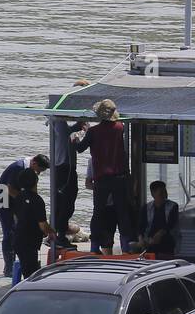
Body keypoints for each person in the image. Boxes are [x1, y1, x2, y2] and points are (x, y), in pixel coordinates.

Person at [78, 98, 135, 254]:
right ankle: (126, 249)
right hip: (120, 177)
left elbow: (80, 148)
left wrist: (76, 139)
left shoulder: (93, 131)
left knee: (98, 213)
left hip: (102, 179)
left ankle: (94, 247)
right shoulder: (120, 127)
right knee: (123, 213)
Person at [0, 154, 50, 278]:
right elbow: (10, 189)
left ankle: (17, 262)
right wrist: (27, 202)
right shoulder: (19, 167)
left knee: (18, 229)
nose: (38, 174)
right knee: (9, 231)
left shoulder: (28, 169)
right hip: (3, 199)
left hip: (15, 200)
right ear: (34, 163)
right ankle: (9, 266)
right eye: (38, 171)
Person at [49, 115, 88, 248]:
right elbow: (69, 136)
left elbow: (68, 132)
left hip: (61, 168)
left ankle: (56, 233)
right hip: (65, 168)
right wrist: (80, 129)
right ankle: (60, 235)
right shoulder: (59, 123)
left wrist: (77, 126)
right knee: (66, 203)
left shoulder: (58, 124)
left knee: (61, 202)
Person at [11, 167, 56, 281]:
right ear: (36, 181)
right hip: (29, 241)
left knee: (26, 267)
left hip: (18, 238)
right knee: (31, 274)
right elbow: (43, 225)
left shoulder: (18, 196)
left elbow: (16, 217)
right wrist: (51, 232)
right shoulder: (38, 200)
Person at [132, 181, 181, 259]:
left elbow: (170, 224)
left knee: (165, 240)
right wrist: (140, 238)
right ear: (153, 194)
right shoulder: (146, 208)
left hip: (167, 239)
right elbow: (141, 226)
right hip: (150, 240)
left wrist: (160, 234)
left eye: (165, 192)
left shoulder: (173, 206)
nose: (165, 195)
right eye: (161, 193)